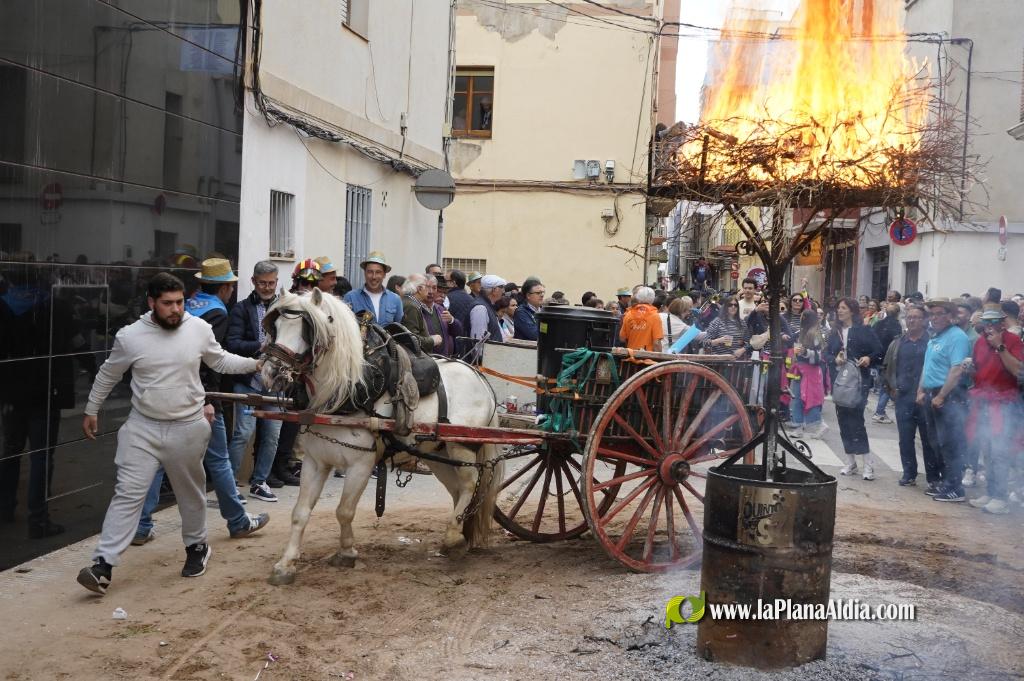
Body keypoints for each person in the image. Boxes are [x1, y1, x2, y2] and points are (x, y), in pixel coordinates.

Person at [77, 273, 261, 595]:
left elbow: (220, 361)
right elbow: (108, 373)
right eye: (167, 304)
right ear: (151, 302)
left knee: (190, 493)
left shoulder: (198, 329)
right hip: (142, 428)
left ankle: (197, 547)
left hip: (187, 426)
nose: (176, 309)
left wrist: (255, 365)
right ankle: (103, 565)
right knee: (127, 493)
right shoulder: (130, 336)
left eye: (179, 302)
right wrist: (92, 408)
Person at [136, 260, 270, 544]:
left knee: (158, 461)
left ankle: (140, 526)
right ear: (225, 288)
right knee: (219, 461)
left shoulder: (187, 307)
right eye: (230, 286)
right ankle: (238, 521)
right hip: (201, 400)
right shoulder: (217, 313)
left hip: (170, 398)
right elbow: (208, 362)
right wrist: (208, 399)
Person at [225, 261, 285, 503]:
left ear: (277, 282)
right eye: (262, 283)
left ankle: (260, 482)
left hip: (276, 383)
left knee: (272, 435)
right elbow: (232, 344)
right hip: (248, 380)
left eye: (271, 283)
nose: (267, 288)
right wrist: (260, 346)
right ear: (253, 282)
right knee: (243, 433)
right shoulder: (241, 309)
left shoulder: (285, 309)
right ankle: (229, 484)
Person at [965, 304, 1024, 514]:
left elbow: (1017, 371)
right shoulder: (980, 342)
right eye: (986, 322)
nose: (989, 327)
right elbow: (979, 373)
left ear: (1002, 323)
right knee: (987, 449)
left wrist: (1000, 346)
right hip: (983, 401)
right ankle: (991, 493)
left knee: (1000, 450)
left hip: (1005, 403)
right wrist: (970, 369)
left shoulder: (1013, 341)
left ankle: (1001, 497)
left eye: (993, 322)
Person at [917, 297, 972, 502]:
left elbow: (956, 369)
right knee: (936, 442)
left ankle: (955, 487)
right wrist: (921, 390)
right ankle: (945, 480)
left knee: (950, 442)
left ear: (950, 316)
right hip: (932, 393)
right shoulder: (936, 337)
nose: (934, 318)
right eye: (932, 314)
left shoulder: (957, 337)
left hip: (950, 395)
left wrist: (941, 395)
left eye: (939, 314)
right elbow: (927, 366)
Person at [881, 305, 939, 487]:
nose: (912, 320)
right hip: (903, 397)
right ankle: (909, 473)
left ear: (924, 320)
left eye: (916, 317)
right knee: (905, 438)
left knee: (928, 440)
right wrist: (890, 387)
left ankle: (933, 477)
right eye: (909, 317)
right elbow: (887, 366)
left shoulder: (931, 342)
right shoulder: (898, 343)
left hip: (925, 397)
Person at [825, 297, 883, 480]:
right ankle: (850, 462)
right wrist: (835, 359)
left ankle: (868, 464)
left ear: (852, 310)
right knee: (843, 421)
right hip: (840, 382)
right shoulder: (835, 332)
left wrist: (868, 358)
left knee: (857, 422)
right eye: (838, 308)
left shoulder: (864, 330)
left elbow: (878, 350)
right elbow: (826, 354)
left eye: (843, 308)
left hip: (859, 382)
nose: (839, 311)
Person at [787, 309, 828, 438]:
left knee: (810, 398)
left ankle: (819, 425)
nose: (801, 318)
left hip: (811, 372)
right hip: (800, 369)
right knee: (797, 397)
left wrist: (805, 352)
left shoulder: (815, 334)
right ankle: (798, 426)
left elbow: (820, 356)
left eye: (803, 316)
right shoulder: (801, 332)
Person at [344, 252, 404, 324]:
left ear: (384, 275)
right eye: (370, 272)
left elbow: (398, 328)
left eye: (378, 272)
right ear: (365, 273)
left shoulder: (395, 299)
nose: (374, 277)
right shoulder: (351, 297)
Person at [870, 302, 903, 424]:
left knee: (884, 385)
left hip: (877, 358)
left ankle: (881, 410)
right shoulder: (896, 326)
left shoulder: (878, 324)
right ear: (898, 313)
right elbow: (896, 345)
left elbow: (872, 339)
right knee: (887, 386)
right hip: (888, 360)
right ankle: (879, 412)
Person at [467, 275, 506, 360]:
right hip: (484, 363)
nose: (503, 291)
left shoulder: (488, 305)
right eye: (502, 287)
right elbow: (478, 344)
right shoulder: (480, 308)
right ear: (494, 290)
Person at [400, 273, 442, 352]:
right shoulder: (411, 306)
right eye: (427, 286)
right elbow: (411, 339)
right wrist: (433, 340)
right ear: (419, 289)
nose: (429, 291)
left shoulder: (409, 302)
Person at [619, 287, 664, 351]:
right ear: (653, 299)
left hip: (631, 354)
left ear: (638, 298)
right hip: (647, 356)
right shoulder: (655, 316)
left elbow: (622, 339)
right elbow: (656, 343)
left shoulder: (629, 314)